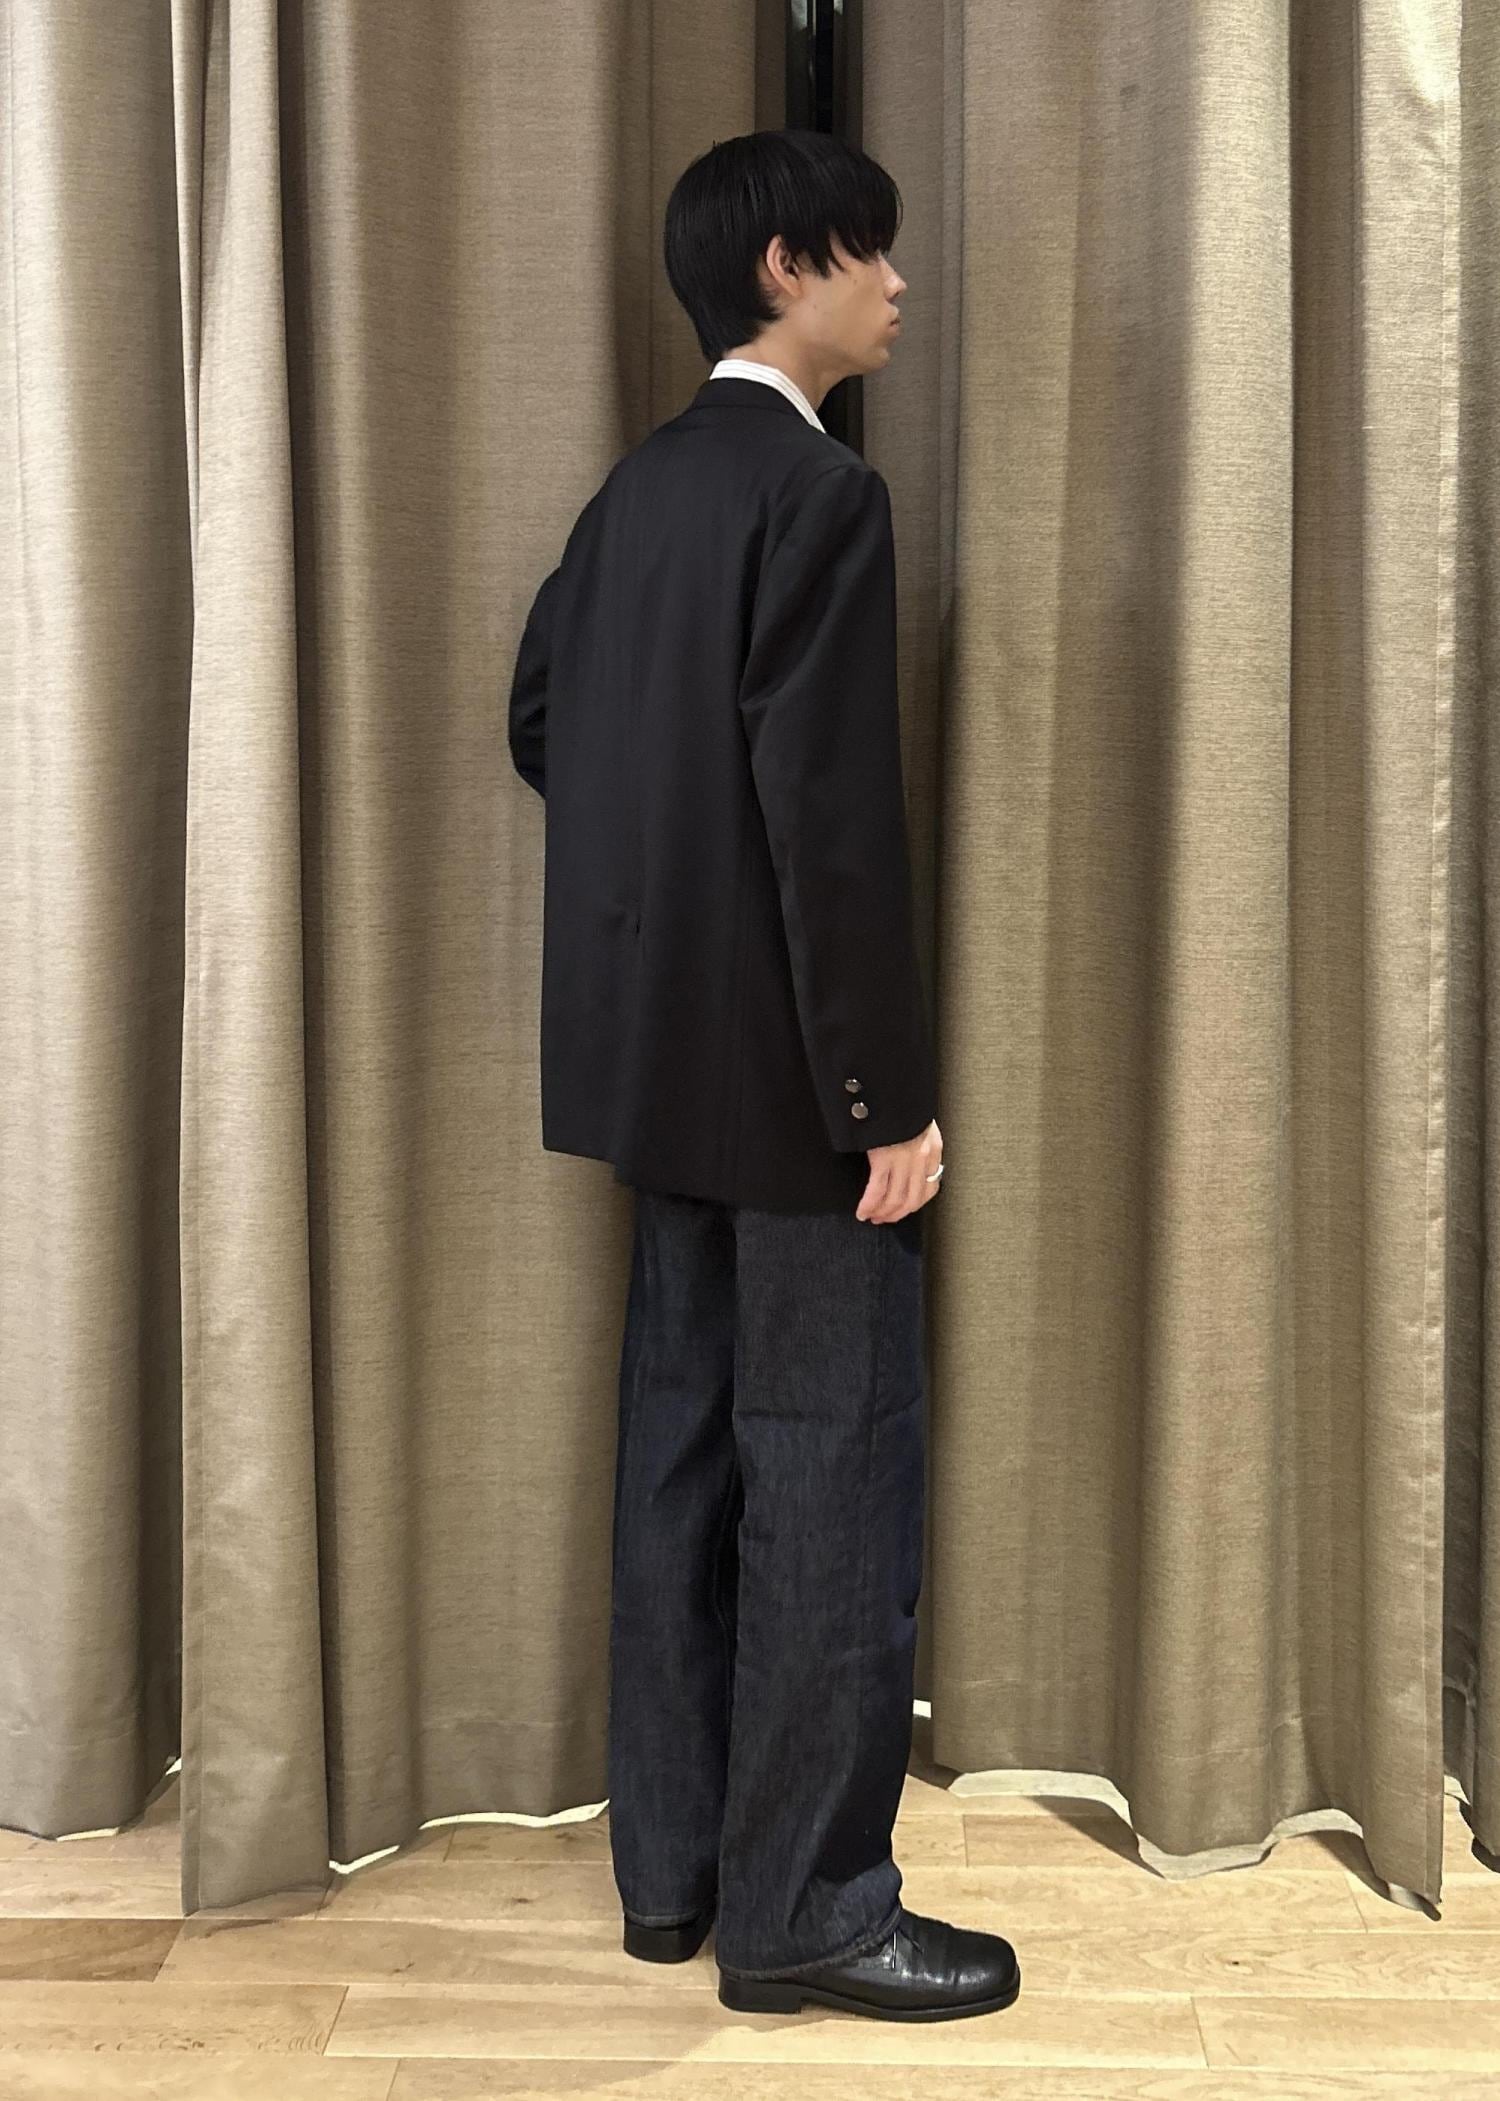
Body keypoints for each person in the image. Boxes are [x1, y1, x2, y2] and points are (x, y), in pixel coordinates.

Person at [507, 127, 1019, 2023]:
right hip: (801, 1095)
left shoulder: (633, 493)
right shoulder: (818, 495)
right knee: (829, 1470)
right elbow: (833, 826)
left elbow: (541, 717)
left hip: (652, 1077)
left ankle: (674, 1876)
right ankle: (806, 1907)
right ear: (787, 265)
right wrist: (887, 1102)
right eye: (871, 252)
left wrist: (665, 874)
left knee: (682, 1458)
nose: (899, 285)